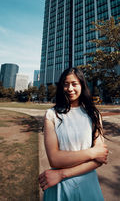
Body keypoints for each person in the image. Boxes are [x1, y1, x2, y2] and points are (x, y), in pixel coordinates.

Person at [39, 67, 108, 201]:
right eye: (66, 84)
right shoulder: (52, 115)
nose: (70, 88)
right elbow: (54, 159)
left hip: (86, 184)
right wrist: (92, 152)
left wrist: (62, 174)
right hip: (59, 187)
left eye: (74, 84)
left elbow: (100, 159)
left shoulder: (94, 114)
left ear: (82, 85)